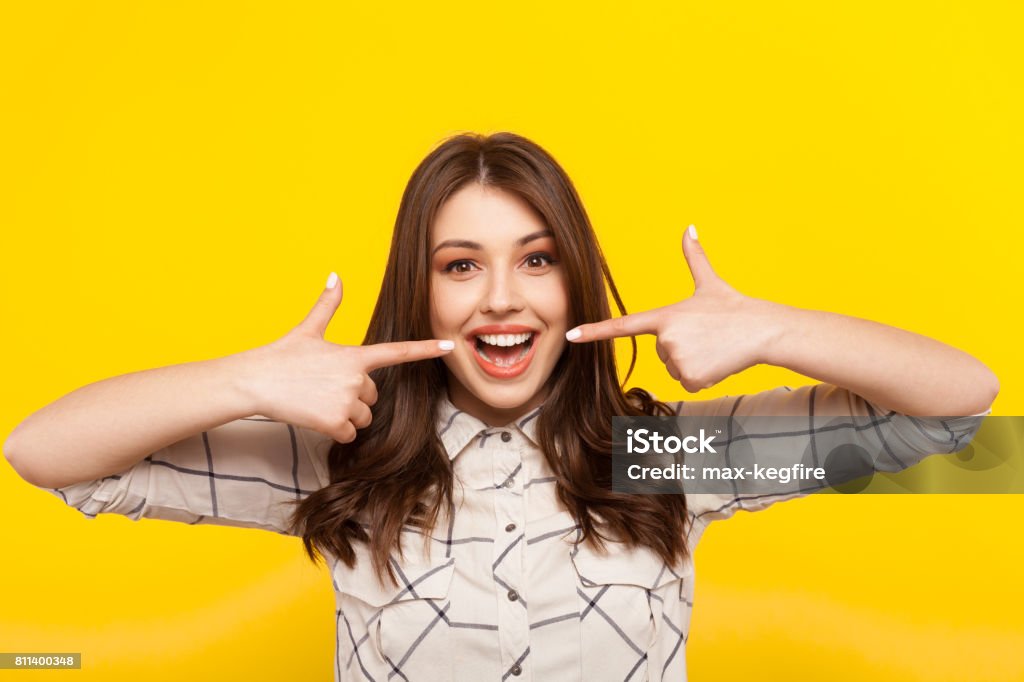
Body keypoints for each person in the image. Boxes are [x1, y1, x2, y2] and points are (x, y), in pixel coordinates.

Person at [3, 132, 998, 682]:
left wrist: (776, 328)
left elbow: (959, 412)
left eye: (535, 258)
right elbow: (47, 453)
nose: (501, 298)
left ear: (571, 280)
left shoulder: (653, 454)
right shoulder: (344, 460)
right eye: (459, 266)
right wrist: (242, 382)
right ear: (421, 292)